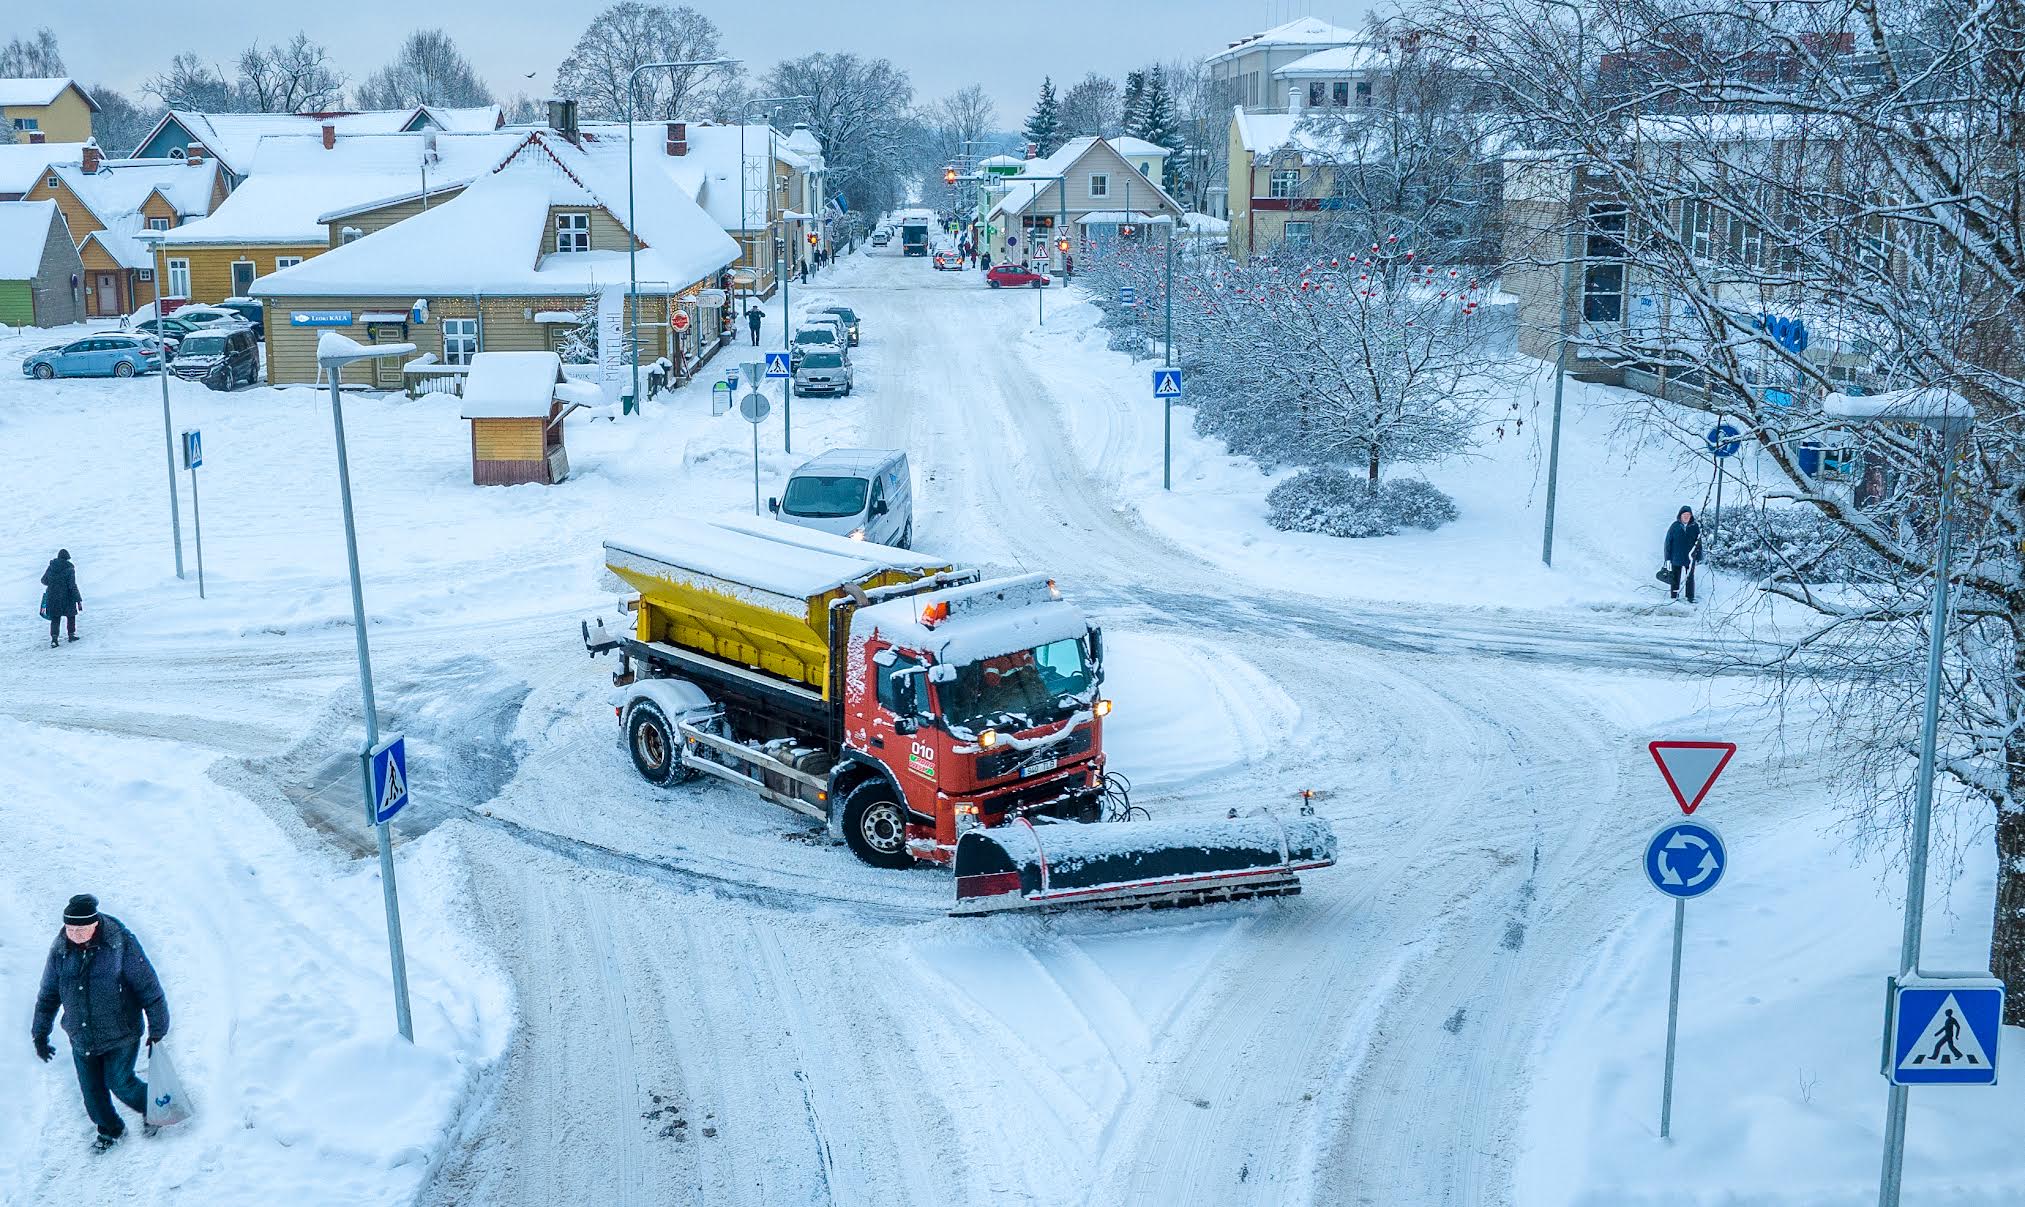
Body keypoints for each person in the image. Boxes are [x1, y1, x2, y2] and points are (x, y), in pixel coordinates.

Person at [32, 895, 170, 1152]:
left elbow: (148, 986)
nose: (74, 934)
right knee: (91, 1092)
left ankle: (155, 1108)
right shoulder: (60, 950)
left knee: (120, 1081)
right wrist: (40, 1034)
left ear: (95, 924)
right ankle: (110, 1129)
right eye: (70, 929)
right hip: (81, 1034)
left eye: (81, 929)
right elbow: (49, 994)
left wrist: (158, 1030)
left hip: (122, 1032)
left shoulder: (119, 943)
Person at [1663, 506, 1703, 603]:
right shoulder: (1675, 526)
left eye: (1688, 515)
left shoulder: (1695, 526)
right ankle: (1674, 595)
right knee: (1675, 577)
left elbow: (1698, 543)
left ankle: (1690, 597)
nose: (1686, 517)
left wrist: (1699, 556)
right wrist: (1667, 557)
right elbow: (1668, 542)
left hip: (1690, 557)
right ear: (1680, 516)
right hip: (1676, 556)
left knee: (1690, 577)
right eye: (1684, 515)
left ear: (1691, 516)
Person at [41, 549, 80, 648]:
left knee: (55, 618)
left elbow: (44, 580)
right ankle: (71, 635)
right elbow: (72, 585)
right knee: (71, 615)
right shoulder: (69, 568)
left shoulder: (51, 567)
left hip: (53, 596)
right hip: (67, 596)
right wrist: (78, 598)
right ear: (67, 558)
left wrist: (53, 583)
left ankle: (54, 640)